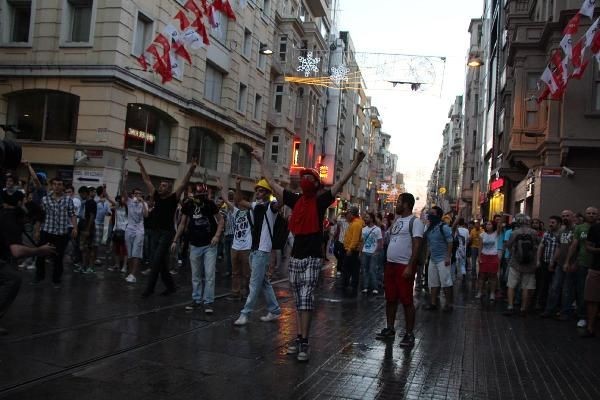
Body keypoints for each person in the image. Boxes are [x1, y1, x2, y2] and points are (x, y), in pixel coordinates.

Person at [251, 149, 366, 361]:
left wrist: (357, 162)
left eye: (308, 178)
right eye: (303, 177)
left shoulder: (321, 201)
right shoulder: (295, 200)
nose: (304, 180)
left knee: (305, 300)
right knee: (298, 300)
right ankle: (299, 337)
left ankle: (304, 342)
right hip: (295, 257)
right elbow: (272, 183)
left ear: (315, 183)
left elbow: (340, 182)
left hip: (312, 257)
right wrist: (260, 160)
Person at [137, 157, 197, 297]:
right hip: (155, 232)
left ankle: (149, 289)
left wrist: (192, 169)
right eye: (161, 185)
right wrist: (141, 164)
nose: (160, 187)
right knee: (160, 263)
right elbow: (147, 180)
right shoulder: (156, 196)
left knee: (156, 261)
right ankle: (171, 287)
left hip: (167, 233)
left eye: (164, 185)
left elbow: (184, 182)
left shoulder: (173, 198)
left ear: (169, 188)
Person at [0, 191, 55, 335]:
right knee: (13, 278)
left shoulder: (10, 216)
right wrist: (39, 250)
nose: (29, 224)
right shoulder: (11, 222)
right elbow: (17, 251)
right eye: (31, 221)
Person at [375, 193, 423, 347]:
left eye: (399, 202)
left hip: (404, 266)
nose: (397, 204)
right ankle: (390, 329)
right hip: (391, 265)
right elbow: (389, 238)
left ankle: (409, 334)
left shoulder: (415, 222)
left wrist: (410, 266)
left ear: (407, 204)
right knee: (390, 299)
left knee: (406, 301)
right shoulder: (397, 221)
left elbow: (417, 245)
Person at [233, 175, 282, 326]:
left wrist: (274, 186)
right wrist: (238, 185)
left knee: (254, 284)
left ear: (267, 193)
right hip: (254, 250)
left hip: (262, 251)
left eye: (261, 191)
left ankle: (245, 314)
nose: (258, 193)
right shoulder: (256, 206)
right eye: (257, 191)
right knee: (263, 283)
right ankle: (274, 310)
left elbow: (281, 201)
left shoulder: (271, 206)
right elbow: (239, 201)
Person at [172, 183, 223, 314]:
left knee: (209, 273)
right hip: (194, 244)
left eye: (203, 196)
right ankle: (196, 299)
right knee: (196, 275)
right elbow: (182, 224)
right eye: (199, 196)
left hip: (209, 244)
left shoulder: (210, 204)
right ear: (194, 195)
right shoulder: (188, 205)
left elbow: (221, 220)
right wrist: (175, 240)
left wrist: (217, 236)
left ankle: (208, 302)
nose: (201, 198)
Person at [34, 177, 77, 287]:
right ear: (52, 186)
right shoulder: (45, 199)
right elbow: (40, 216)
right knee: (40, 255)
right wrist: (37, 231)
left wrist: (75, 228)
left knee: (58, 258)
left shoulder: (68, 200)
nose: (57, 186)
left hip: (61, 233)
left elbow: (72, 215)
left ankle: (56, 280)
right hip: (47, 231)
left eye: (59, 184)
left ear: (63, 186)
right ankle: (39, 276)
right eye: (55, 184)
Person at [564, 206, 598, 328]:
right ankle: (582, 316)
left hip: (597, 264)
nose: (591, 215)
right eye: (589, 213)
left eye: (594, 213)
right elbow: (574, 245)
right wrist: (568, 261)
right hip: (583, 263)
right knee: (582, 291)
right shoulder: (580, 228)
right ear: (585, 214)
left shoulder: (598, 227)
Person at [503, 214, 540, 316]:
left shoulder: (515, 232)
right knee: (526, 287)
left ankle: (510, 307)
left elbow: (508, 245)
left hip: (516, 263)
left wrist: (513, 251)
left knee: (511, 285)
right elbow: (538, 246)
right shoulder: (534, 233)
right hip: (530, 264)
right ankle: (523, 309)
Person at [542, 210, 576, 319]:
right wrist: (553, 261)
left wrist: (574, 263)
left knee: (567, 289)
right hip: (560, 264)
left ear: (572, 217)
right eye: (563, 216)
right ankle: (549, 310)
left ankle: (565, 312)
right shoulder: (562, 231)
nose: (565, 217)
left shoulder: (576, 229)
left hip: (571, 264)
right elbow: (559, 247)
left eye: (567, 216)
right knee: (554, 287)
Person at [423, 206, 453, 311]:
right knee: (433, 282)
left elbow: (450, 242)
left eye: (433, 213)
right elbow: (429, 244)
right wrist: (427, 258)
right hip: (433, 259)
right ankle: (433, 303)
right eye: (430, 213)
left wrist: (448, 257)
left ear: (438, 215)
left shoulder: (444, 227)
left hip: (443, 259)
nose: (430, 215)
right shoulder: (429, 228)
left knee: (446, 282)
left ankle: (449, 304)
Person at [534, 215, 561, 312]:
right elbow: (541, 246)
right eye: (550, 222)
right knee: (543, 284)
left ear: (558, 224)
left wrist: (553, 261)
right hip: (545, 262)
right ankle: (541, 304)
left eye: (553, 223)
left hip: (556, 263)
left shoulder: (560, 234)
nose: (550, 224)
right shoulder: (547, 234)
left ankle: (553, 307)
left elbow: (560, 249)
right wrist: (538, 260)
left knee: (555, 286)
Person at [124, 187, 148, 283]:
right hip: (129, 229)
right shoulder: (129, 201)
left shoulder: (144, 203)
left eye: (140, 194)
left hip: (139, 230)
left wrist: (142, 202)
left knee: (136, 253)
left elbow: (146, 215)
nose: (138, 195)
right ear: (132, 194)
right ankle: (130, 273)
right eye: (136, 193)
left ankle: (133, 274)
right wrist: (124, 180)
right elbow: (123, 191)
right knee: (129, 254)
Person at [582, 220, 600, 337]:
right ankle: (590, 328)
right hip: (596, 268)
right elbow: (588, 246)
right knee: (592, 299)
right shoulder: (595, 228)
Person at [476, 221, 500, 301]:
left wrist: (502, 215)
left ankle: (492, 293)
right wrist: (479, 257)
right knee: (482, 275)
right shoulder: (482, 234)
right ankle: (480, 292)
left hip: (493, 256)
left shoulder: (496, 233)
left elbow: (500, 225)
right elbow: (480, 246)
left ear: (493, 226)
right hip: (484, 255)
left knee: (493, 276)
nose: (487, 225)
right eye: (486, 224)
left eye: (489, 224)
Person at [360, 212, 383, 295]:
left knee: (372, 270)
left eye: (367, 217)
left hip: (373, 253)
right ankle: (365, 287)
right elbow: (362, 242)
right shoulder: (364, 229)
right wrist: (361, 251)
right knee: (365, 270)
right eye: (365, 217)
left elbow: (380, 242)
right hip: (365, 252)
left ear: (372, 219)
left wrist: (376, 252)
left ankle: (375, 288)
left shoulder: (377, 229)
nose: (365, 219)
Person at [343, 207, 364, 295]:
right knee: (352, 269)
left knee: (350, 269)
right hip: (350, 249)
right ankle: (350, 285)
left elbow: (355, 239)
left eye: (348, 214)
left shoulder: (356, 224)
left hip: (351, 250)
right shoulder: (354, 223)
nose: (346, 216)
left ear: (352, 214)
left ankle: (350, 285)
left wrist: (350, 249)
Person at [77, 186, 97, 274]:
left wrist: (88, 230)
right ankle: (84, 266)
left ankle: (90, 267)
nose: (80, 196)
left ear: (85, 193)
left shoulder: (91, 203)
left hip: (88, 228)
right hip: (83, 227)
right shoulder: (85, 202)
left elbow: (92, 216)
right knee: (83, 248)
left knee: (89, 248)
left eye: (81, 194)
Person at [108, 195, 128, 273]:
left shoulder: (127, 208)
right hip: (116, 229)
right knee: (116, 248)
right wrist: (104, 190)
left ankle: (124, 266)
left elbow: (125, 199)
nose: (121, 200)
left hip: (125, 230)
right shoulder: (117, 207)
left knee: (124, 249)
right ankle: (117, 265)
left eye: (123, 199)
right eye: (120, 199)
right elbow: (109, 200)